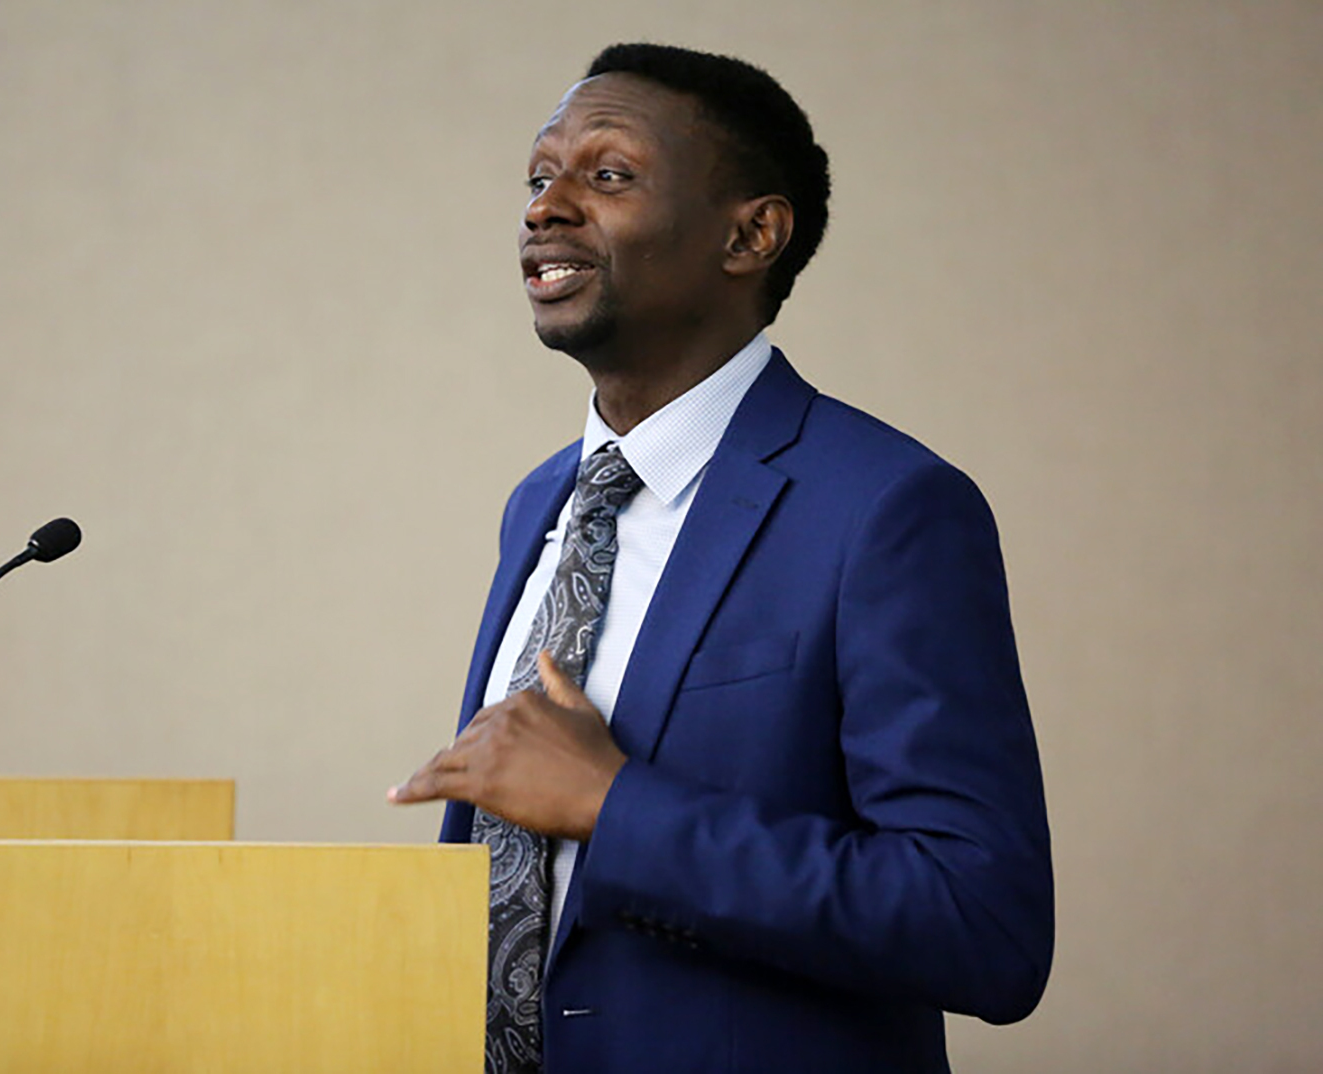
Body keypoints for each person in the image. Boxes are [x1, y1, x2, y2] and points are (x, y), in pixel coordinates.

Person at [390, 42, 1053, 1074]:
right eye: (537, 176)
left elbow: (981, 926)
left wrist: (615, 805)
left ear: (751, 234)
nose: (543, 208)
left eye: (606, 175)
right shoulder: (541, 505)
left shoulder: (887, 509)